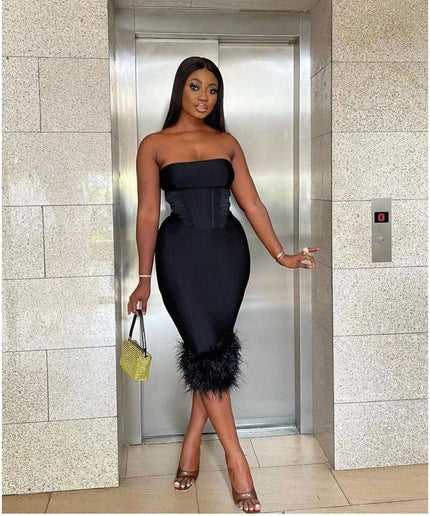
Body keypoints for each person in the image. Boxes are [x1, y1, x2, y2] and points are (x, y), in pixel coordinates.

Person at [127, 56, 320, 514]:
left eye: (212, 90)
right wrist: (143, 278)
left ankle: (192, 441)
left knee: (210, 349)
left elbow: (252, 203)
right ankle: (237, 462)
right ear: (180, 88)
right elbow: (148, 214)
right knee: (204, 346)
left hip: (228, 256)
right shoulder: (153, 144)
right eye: (195, 86)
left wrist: (281, 255)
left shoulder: (228, 143)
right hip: (180, 256)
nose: (203, 97)